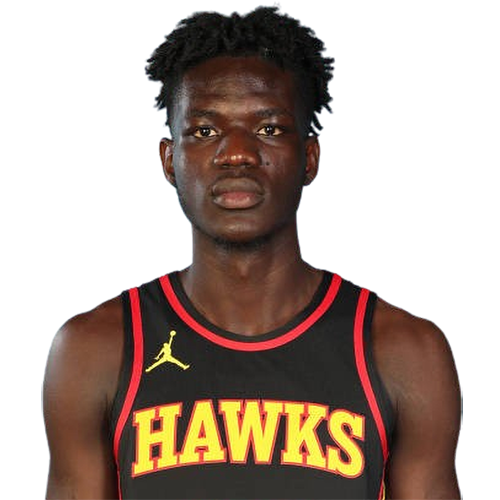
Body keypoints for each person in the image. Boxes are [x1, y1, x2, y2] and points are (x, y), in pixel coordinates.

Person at [43, 6, 462, 500]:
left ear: (310, 158)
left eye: (269, 129)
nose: (237, 153)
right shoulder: (96, 349)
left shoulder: (404, 352)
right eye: (205, 131)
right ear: (169, 160)